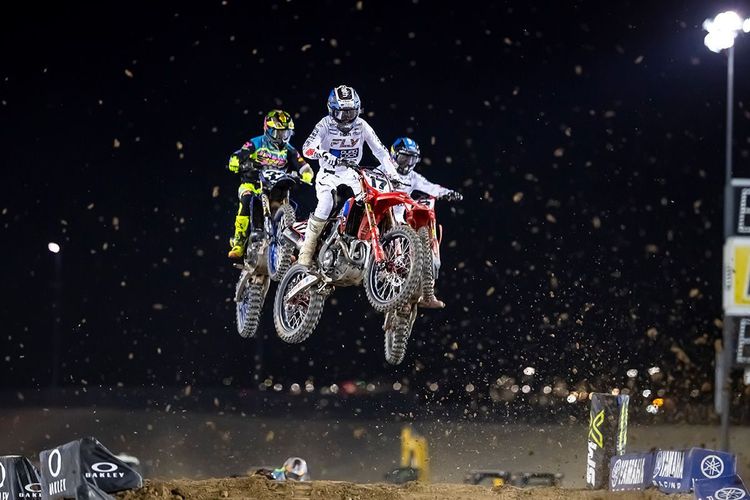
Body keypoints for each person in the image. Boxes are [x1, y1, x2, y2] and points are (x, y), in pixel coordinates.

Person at [298, 84, 400, 267]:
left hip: (354, 174)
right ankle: (307, 250)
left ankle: (371, 243)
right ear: (332, 111)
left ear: (358, 110)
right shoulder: (324, 124)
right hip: (329, 175)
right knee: (326, 204)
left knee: (373, 200)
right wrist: (323, 154)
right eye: (341, 113)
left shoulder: (362, 125)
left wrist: (393, 174)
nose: (346, 118)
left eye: (351, 112)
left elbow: (381, 151)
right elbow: (307, 148)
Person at [226, 110, 314, 259]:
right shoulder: (256, 142)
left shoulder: (289, 149)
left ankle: (287, 247)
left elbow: (302, 164)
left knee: (291, 206)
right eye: (278, 132)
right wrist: (235, 161)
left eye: (285, 133)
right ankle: (239, 241)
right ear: (268, 129)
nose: (281, 137)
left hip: (276, 187)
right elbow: (239, 154)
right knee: (247, 200)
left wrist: (306, 174)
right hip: (252, 184)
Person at [380, 137, 462, 223]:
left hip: (397, 221)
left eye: (412, 160)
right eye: (404, 158)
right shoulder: (383, 169)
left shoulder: (413, 177)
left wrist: (447, 193)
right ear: (393, 155)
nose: (408, 164)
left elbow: (431, 187)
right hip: (377, 214)